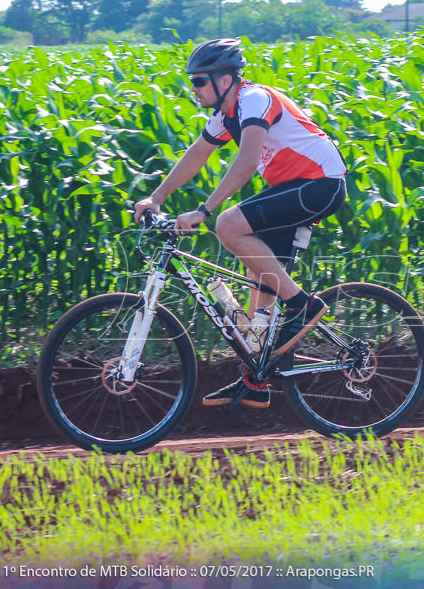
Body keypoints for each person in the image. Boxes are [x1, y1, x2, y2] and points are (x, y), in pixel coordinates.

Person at [133, 38, 347, 409]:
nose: (194, 88)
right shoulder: (225, 115)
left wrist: (205, 210)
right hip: (290, 188)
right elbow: (198, 154)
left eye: (199, 81)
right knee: (258, 283)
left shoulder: (254, 100)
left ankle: (303, 306)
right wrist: (157, 198)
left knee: (229, 226)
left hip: (321, 183)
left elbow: (247, 161)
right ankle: (258, 378)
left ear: (225, 80)